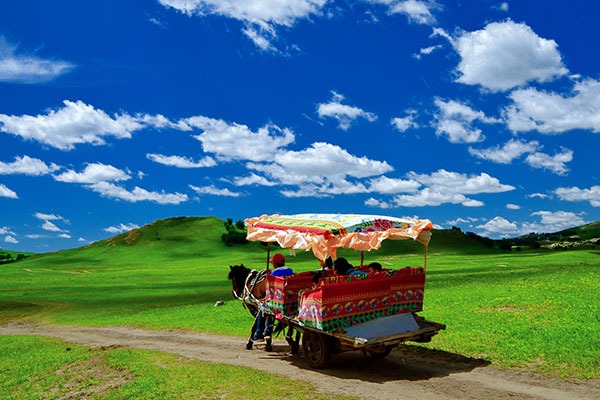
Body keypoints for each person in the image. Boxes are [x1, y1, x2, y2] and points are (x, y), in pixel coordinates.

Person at [252, 253, 294, 342]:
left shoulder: (274, 273)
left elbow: (270, 291)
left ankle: (259, 333)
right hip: (291, 300)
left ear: (275, 264)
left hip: (278, 302)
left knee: (261, 308)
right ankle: (266, 331)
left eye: (273, 262)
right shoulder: (290, 271)